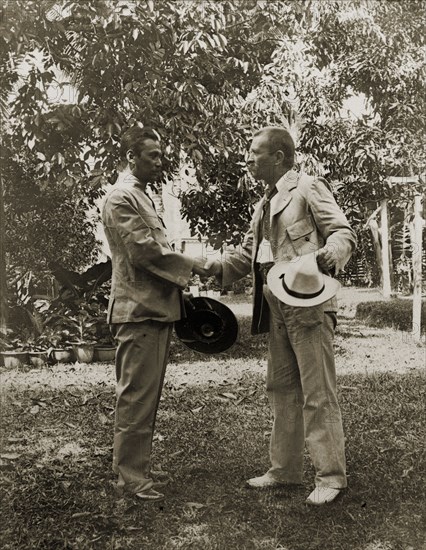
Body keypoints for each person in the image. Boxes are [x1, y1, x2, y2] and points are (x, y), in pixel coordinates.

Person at [203, 126, 357, 506]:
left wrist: (330, 254)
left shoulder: (307, 188)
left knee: (317, 393)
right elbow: (244, 257)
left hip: (309, 306)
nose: (249, 159)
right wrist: (207, 266)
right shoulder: (262, 205)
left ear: (280, 156)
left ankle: (331, 477)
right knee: (282, 389)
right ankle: (285, 470)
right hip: (275, 309)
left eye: (256, 152)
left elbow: (342, 232)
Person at [102, 126, 207, 502]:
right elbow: (144, 253)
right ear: (131, 156)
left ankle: (135, 469)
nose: (159, 163)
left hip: (153, 311)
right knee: (136, 398)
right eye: (152, 156)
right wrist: (194, 265)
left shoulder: (140, 196)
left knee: (145, 397)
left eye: (161, 156)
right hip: (138, 312)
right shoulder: (120, 198)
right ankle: (131, 479)